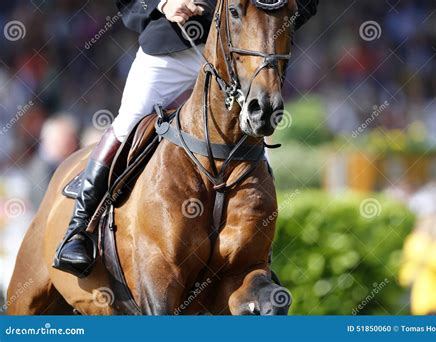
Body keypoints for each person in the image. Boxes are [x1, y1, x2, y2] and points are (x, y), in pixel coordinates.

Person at [53, 0, 319, 277]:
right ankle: (80, 228)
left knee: (255, 144)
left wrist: (273, 16)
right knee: (129, 120)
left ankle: (257, 257)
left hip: (242, 52)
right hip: (175, 42)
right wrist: (163, 3)